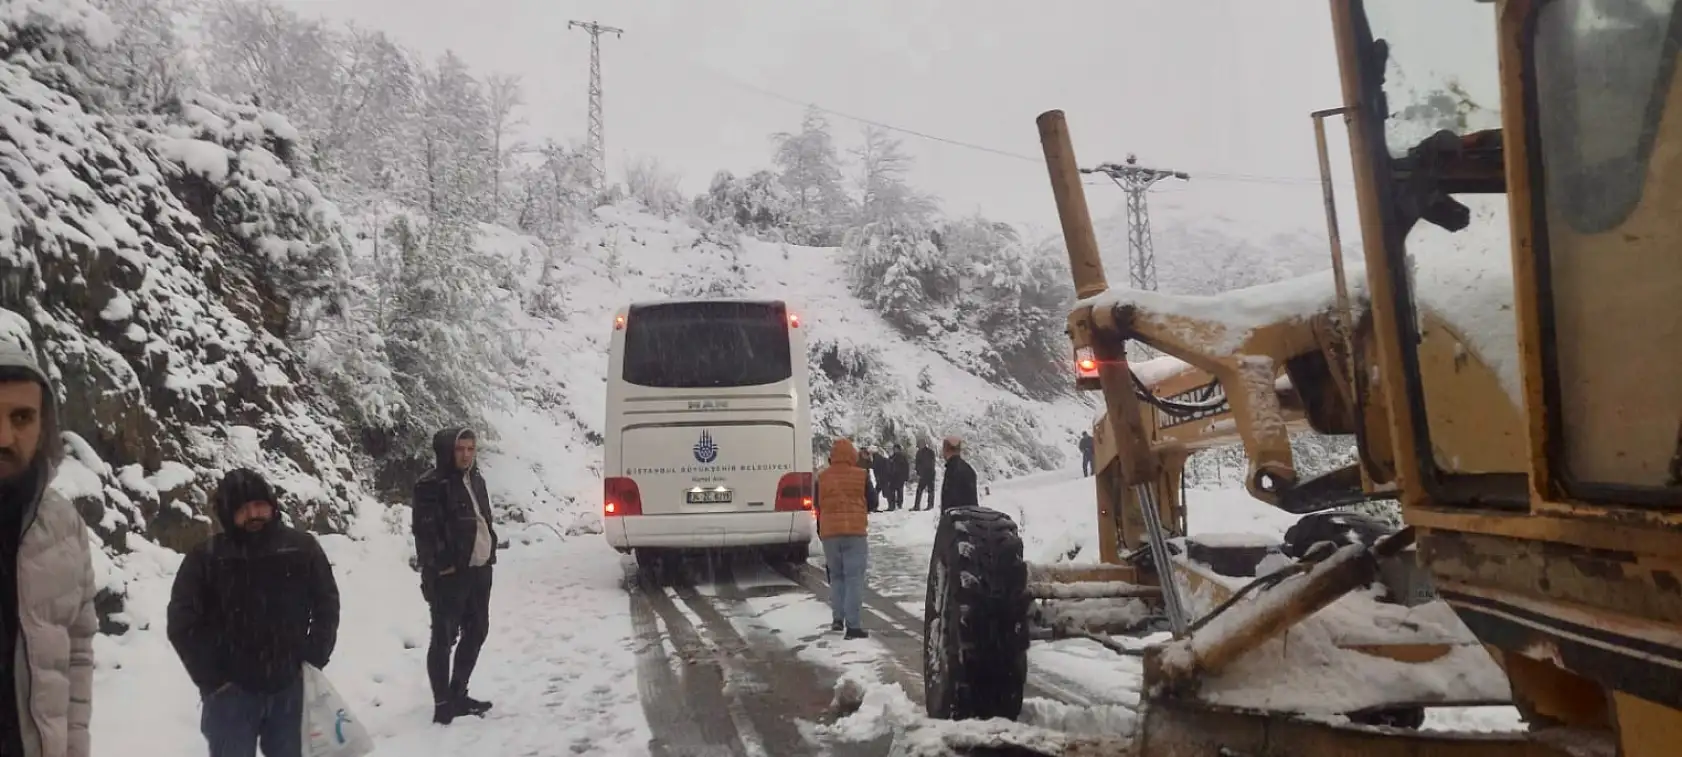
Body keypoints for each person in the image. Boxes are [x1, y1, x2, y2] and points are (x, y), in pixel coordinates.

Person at [167, 468, 340, 757]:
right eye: (243, 509)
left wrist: (314, 655)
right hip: (231, 696)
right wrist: (213, 679)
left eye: (260, 505)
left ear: (272, 506)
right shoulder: (206, 559)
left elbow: (326, 603)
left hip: (290, 687)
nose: (254, 514)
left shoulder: (301, 547)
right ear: (228, 514)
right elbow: (182, 623)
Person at [0, 340, 97, 757]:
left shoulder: (63, 526)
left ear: (43, 427)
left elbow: (76, 652)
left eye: (21, 417)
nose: (4, 437)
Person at [412, 428, 499, 725]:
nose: (466, 455)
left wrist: (491, 549)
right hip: (450, 575)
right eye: (460, 449)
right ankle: (442, 702)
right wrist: (440, 564)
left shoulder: (477, 480)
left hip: (479, 570)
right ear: (447, 451)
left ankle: (458, 691)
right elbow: (424, 531)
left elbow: (483, 519)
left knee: (477, 631)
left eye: (471, 449)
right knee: (443, 636)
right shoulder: (431, 485)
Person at [813, 439, 869, 639]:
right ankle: (853, 626)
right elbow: (873, 500)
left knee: (836, 577)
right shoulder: (862, 475)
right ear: (852, 455)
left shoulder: (822, 478)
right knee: (854, 578)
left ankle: (837, 619)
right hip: (855, 532)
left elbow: (817, 504)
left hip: (830, 534)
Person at [939, 436, 980, 512]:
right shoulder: (969, 469)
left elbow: (949, 502)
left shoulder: (951, 470)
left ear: (946, 449)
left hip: (957, 519)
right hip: (971, 518)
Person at [913, 441, 937, 511]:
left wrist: (923, 470)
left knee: (930, 490)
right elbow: (917, 463)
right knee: (920, 490)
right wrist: (918, 472)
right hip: (924, 474)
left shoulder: (930, 452)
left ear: (924, 444)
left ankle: (930, 505)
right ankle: (917, 506)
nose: (920, 446)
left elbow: (932, 463)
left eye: (920, 444)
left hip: (929, 473)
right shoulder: (919, 453)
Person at [859, 448, 880, 513]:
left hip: (866, 477)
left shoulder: (867, 459)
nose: (864, 454)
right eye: (863, 452)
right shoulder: (857, 459)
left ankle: (870, 507)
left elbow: (871, 465)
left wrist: (868, 459)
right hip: (859, 478)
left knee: (869, 493)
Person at [888, 444, 910, 510]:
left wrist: (906, 476)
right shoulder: (892, 457)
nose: (895, 450)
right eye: (894, 449)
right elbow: (889, 466)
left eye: (896, 449)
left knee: (900, 491)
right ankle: (892, 505)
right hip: (893, 477)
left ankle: (899, 504)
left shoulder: (902, 457)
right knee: (891, 491)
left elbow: (906, 467)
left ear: (899, 449)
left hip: (900, 476)